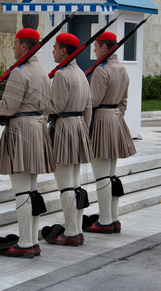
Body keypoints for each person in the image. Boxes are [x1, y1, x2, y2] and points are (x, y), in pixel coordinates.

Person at [0, 28, 55, 258]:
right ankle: (31, 240)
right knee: (31, 190)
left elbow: (9, 106)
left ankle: (26, 244)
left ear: (25, 47)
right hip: (38, 129)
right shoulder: (42, 71)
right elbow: (48, 107)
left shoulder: (20, 72)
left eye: (16, 43)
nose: (13, 47)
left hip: (21, 131)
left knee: (22, 192)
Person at [42, 33, 92, 247]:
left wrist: (40, 107)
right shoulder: (81, 72)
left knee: (65, 186)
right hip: (79, 126)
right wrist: (83, 130)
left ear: (64, 51)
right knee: (75, 183)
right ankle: (77, 228)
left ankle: (71, 233)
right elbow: (88, 106)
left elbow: (56, 106)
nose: (53, 51)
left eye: (55, 48)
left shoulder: (62, 75)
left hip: (63, 128)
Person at [84, 32, 136, 234]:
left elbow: (93, 101)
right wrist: (115, 116)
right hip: (116, 119)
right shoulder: (122, 69)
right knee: (111, 174)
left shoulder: (101, 70)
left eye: (96, 47)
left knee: (102, 175)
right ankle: (114, 219)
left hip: (103, 120)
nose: (94, 51)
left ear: (105, 48)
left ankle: (105, 220)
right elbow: (123, 100)